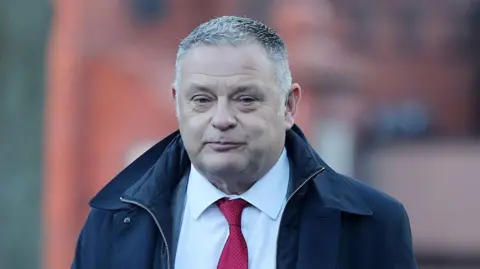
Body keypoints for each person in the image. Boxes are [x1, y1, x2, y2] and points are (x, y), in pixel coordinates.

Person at [72, 16, 418, 269]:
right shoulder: (112, 224)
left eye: (246, 99)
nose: (222, 119)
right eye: (202, 100)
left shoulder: (370, 226)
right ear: (178, 103)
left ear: (288, 106)